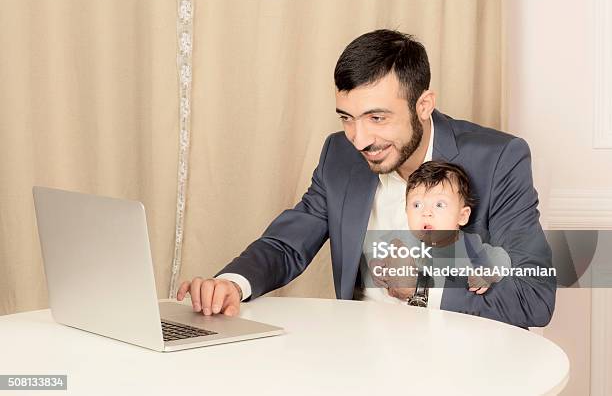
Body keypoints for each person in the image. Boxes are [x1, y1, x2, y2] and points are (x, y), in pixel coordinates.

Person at [176, 29, 556, 328]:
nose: (359, 139)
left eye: (377, 118)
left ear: (423, 105)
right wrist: (232, 284)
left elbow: (533, 297)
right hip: (358, 360)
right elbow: (287, 244)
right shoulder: (339, 154)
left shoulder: (499, 159)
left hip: (458, 362)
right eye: (346, 118)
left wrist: (422, 291)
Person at [365, 160, 511, 302]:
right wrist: (377, 267)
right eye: (417, 205)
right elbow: (384, 262)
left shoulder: (470, 244)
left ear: (462, 216)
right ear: (406, 212)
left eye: (439, 204)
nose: (426, 212)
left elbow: (501, 257)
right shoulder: (406, 241)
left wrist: (488, 273)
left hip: (452, 315)